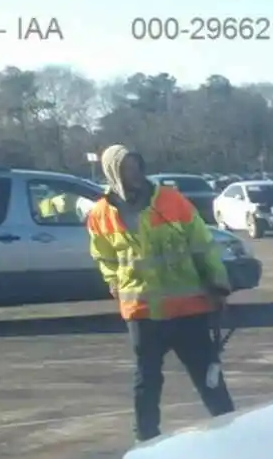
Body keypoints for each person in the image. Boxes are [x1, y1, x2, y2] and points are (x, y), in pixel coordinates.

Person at [86, 145, 236, 442]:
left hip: (188, 308)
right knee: (147, 378)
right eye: (126, 168)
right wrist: (115, 283)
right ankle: (145, 435)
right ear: (113, 173)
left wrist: (217, 282)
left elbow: (201, 243)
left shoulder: (171, 200)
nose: (134, 174)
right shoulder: (101, 214)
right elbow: (104, 257)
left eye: (136, 166)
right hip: (142, 312)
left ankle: (231, 427)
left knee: (207, 374)